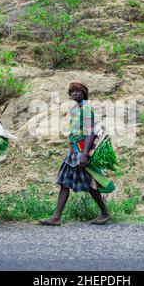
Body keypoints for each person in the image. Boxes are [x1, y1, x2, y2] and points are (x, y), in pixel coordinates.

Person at [39, 81, 111, 226]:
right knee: (66, 183)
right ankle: (57, 217)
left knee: (87, 184)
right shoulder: (75, 110)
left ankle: (104, 212)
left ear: (84, 93)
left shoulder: (86, 110)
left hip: (81, 152)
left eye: (78, 91)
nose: (74, 94)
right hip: (74, 151)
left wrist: (84, 155)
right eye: (72, 92)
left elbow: (90, 133)